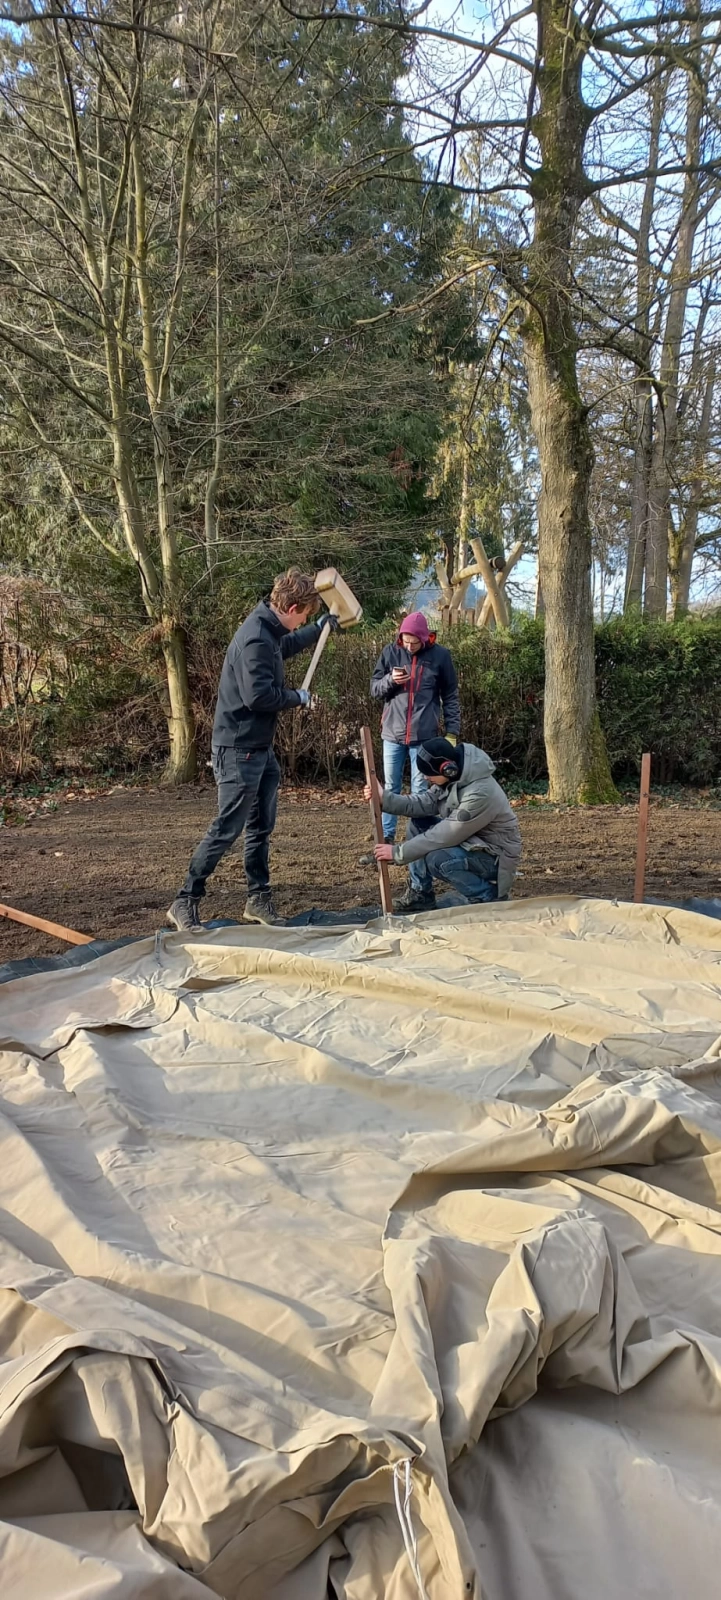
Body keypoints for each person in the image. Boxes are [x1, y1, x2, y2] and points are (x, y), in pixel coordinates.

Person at [167, 568, 337, 932]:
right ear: (291, 606)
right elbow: (258, 696)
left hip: (259, 749)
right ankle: (185, 901)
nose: (301, 622)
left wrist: (318, 628)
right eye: (304, 616)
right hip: (238, 750)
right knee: (228, 827)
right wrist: (298, 697)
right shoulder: (257, 639)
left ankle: (258, 899)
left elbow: (286, 646)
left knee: (261, 826)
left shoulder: (269, 630)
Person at [366, 736, 521, 913]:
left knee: (438, 859)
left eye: (429, 774)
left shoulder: (480, 792)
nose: (425, 778)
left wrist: (397, 852)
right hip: (474, 843)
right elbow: (425, 803)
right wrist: (384, 798)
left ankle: (487, 896)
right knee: (419, 824)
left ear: (447, 769)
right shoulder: (455, 776)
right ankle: (421, 894)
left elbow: (447, 833)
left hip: (495, 857)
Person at [369, 611, 460, 850]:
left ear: (425, 637)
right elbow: (375, 690)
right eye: (405, 640)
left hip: (424, 737)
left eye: (413, 641)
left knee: (421, 791)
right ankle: (386, 838)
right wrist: (390, 680)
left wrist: (452, 732)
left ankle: (416, 841)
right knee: (390, 787)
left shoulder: (441, 657)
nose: (408, 646)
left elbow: (450, 696)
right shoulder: (390, 652)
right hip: (392, 735)